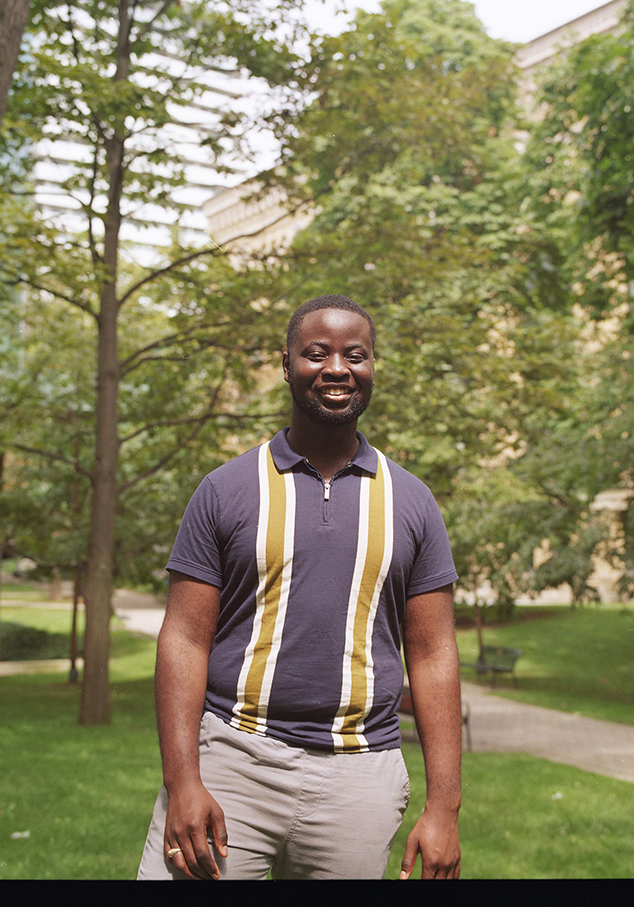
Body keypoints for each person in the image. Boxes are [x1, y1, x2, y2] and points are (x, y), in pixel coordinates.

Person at [137, 294, 462, 881]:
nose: (337, 368)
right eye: (317, 353)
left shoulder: (413, 501)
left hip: (360, 778)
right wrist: (182, 781)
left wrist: (445, 807)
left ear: (371, 369)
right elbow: (184, 637)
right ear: (287, 365)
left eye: (354, 355)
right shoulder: (224, 489)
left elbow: (434, 654)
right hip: (234, 762)